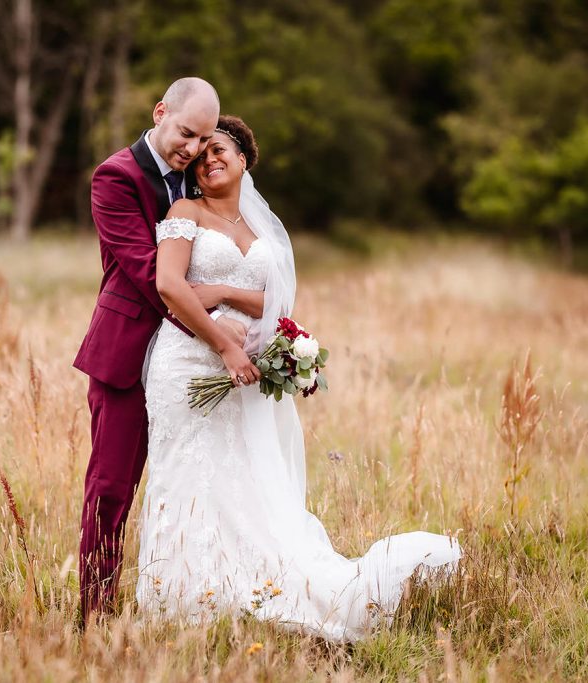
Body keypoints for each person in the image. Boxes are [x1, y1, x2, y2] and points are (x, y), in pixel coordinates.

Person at [136, 115, 462, 641]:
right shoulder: (184, 211)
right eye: (200, 155)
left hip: (246, 371)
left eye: (220, 149)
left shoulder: (264, 228)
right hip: (189, 363)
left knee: (248, 475)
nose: (209, 159)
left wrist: (222, 291)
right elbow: (170, 285)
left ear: (244, 158)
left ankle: (256, 582)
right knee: (192, 473)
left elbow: (278, 302)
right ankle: (187, 593)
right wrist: (222, 340)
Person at [73, 77, 247, 622]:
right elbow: (152, 273)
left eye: (202, 140)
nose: (192, 148)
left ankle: (191, 600)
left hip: (184, 363)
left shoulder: (198, 184)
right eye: (185, 133)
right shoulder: (115, 176)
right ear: (160, 112)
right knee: (110, 489)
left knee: (193, 485)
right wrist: (219, 329)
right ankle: (95, 613)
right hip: (127, 353)